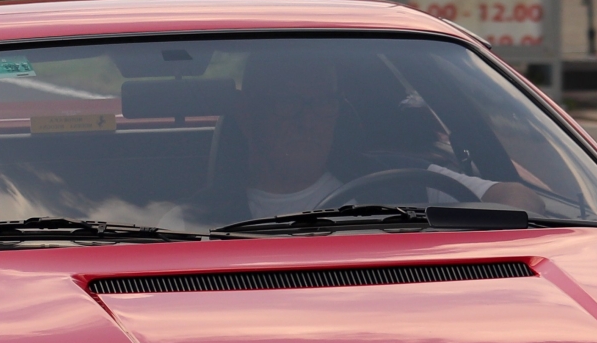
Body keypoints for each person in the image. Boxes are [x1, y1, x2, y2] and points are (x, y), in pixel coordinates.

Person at [228, 47, 542, 219]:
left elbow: (515, 197)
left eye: (323, 103)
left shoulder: (402, 180)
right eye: (288, 102)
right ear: (246, 113)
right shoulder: (200, 217)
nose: (307, 120)